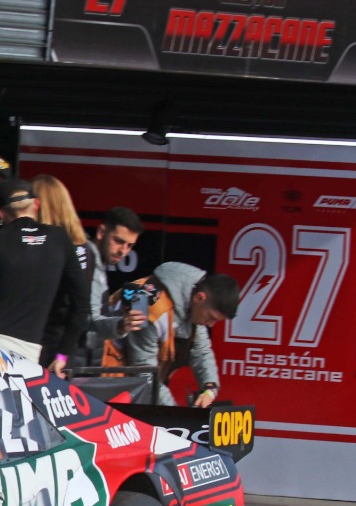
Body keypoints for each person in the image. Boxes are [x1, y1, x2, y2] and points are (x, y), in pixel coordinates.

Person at [0, 177, 87, 364]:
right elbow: (81, 305)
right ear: (36, 204)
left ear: (0, 213)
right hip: (29, 349)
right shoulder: (59, 239)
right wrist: (62, 355)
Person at [104, 264, 240, 407]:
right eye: (211, 317)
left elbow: (201, 352)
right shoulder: (148, 305)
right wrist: (175, 414)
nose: (211, 324)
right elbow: (144, 372)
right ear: (200, 298)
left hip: (131, 383)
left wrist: (209, 390)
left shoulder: (193, 299)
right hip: (107, 377)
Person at [32, 173, 92, 374]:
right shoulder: (83, 247)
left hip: (49, 348)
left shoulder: (56, 248)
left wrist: (61, 355)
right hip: (62, 349)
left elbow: (79, 307)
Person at [82, 206, 144, 364]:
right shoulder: (87, 262)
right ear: (101, 232)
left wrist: (120, 317)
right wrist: (121, 325)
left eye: (129, 245)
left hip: (85, 360)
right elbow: (91, 321)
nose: (123, 251)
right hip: (73, 363)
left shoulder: (96, 263)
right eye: (118, 241)